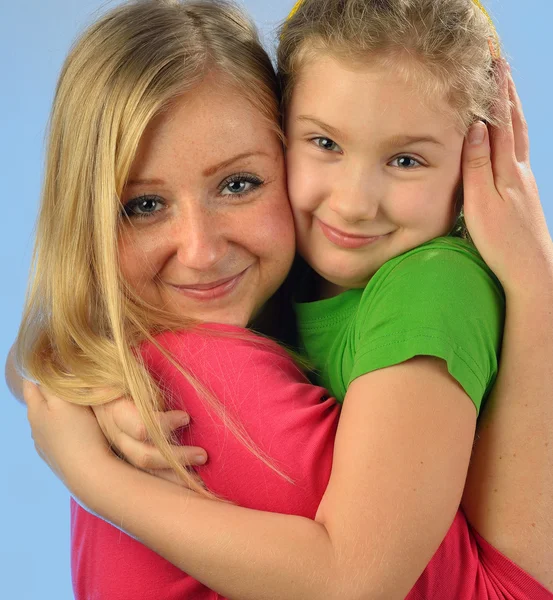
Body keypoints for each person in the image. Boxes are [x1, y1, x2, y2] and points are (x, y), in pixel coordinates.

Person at [11, 0, 553, 598]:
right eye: (143, 205)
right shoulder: (302, 277)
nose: (200, 251)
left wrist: (93, 476)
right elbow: (53, 331)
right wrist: (73, 376)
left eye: (239, 184)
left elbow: (357, 580)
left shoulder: (427, 282)